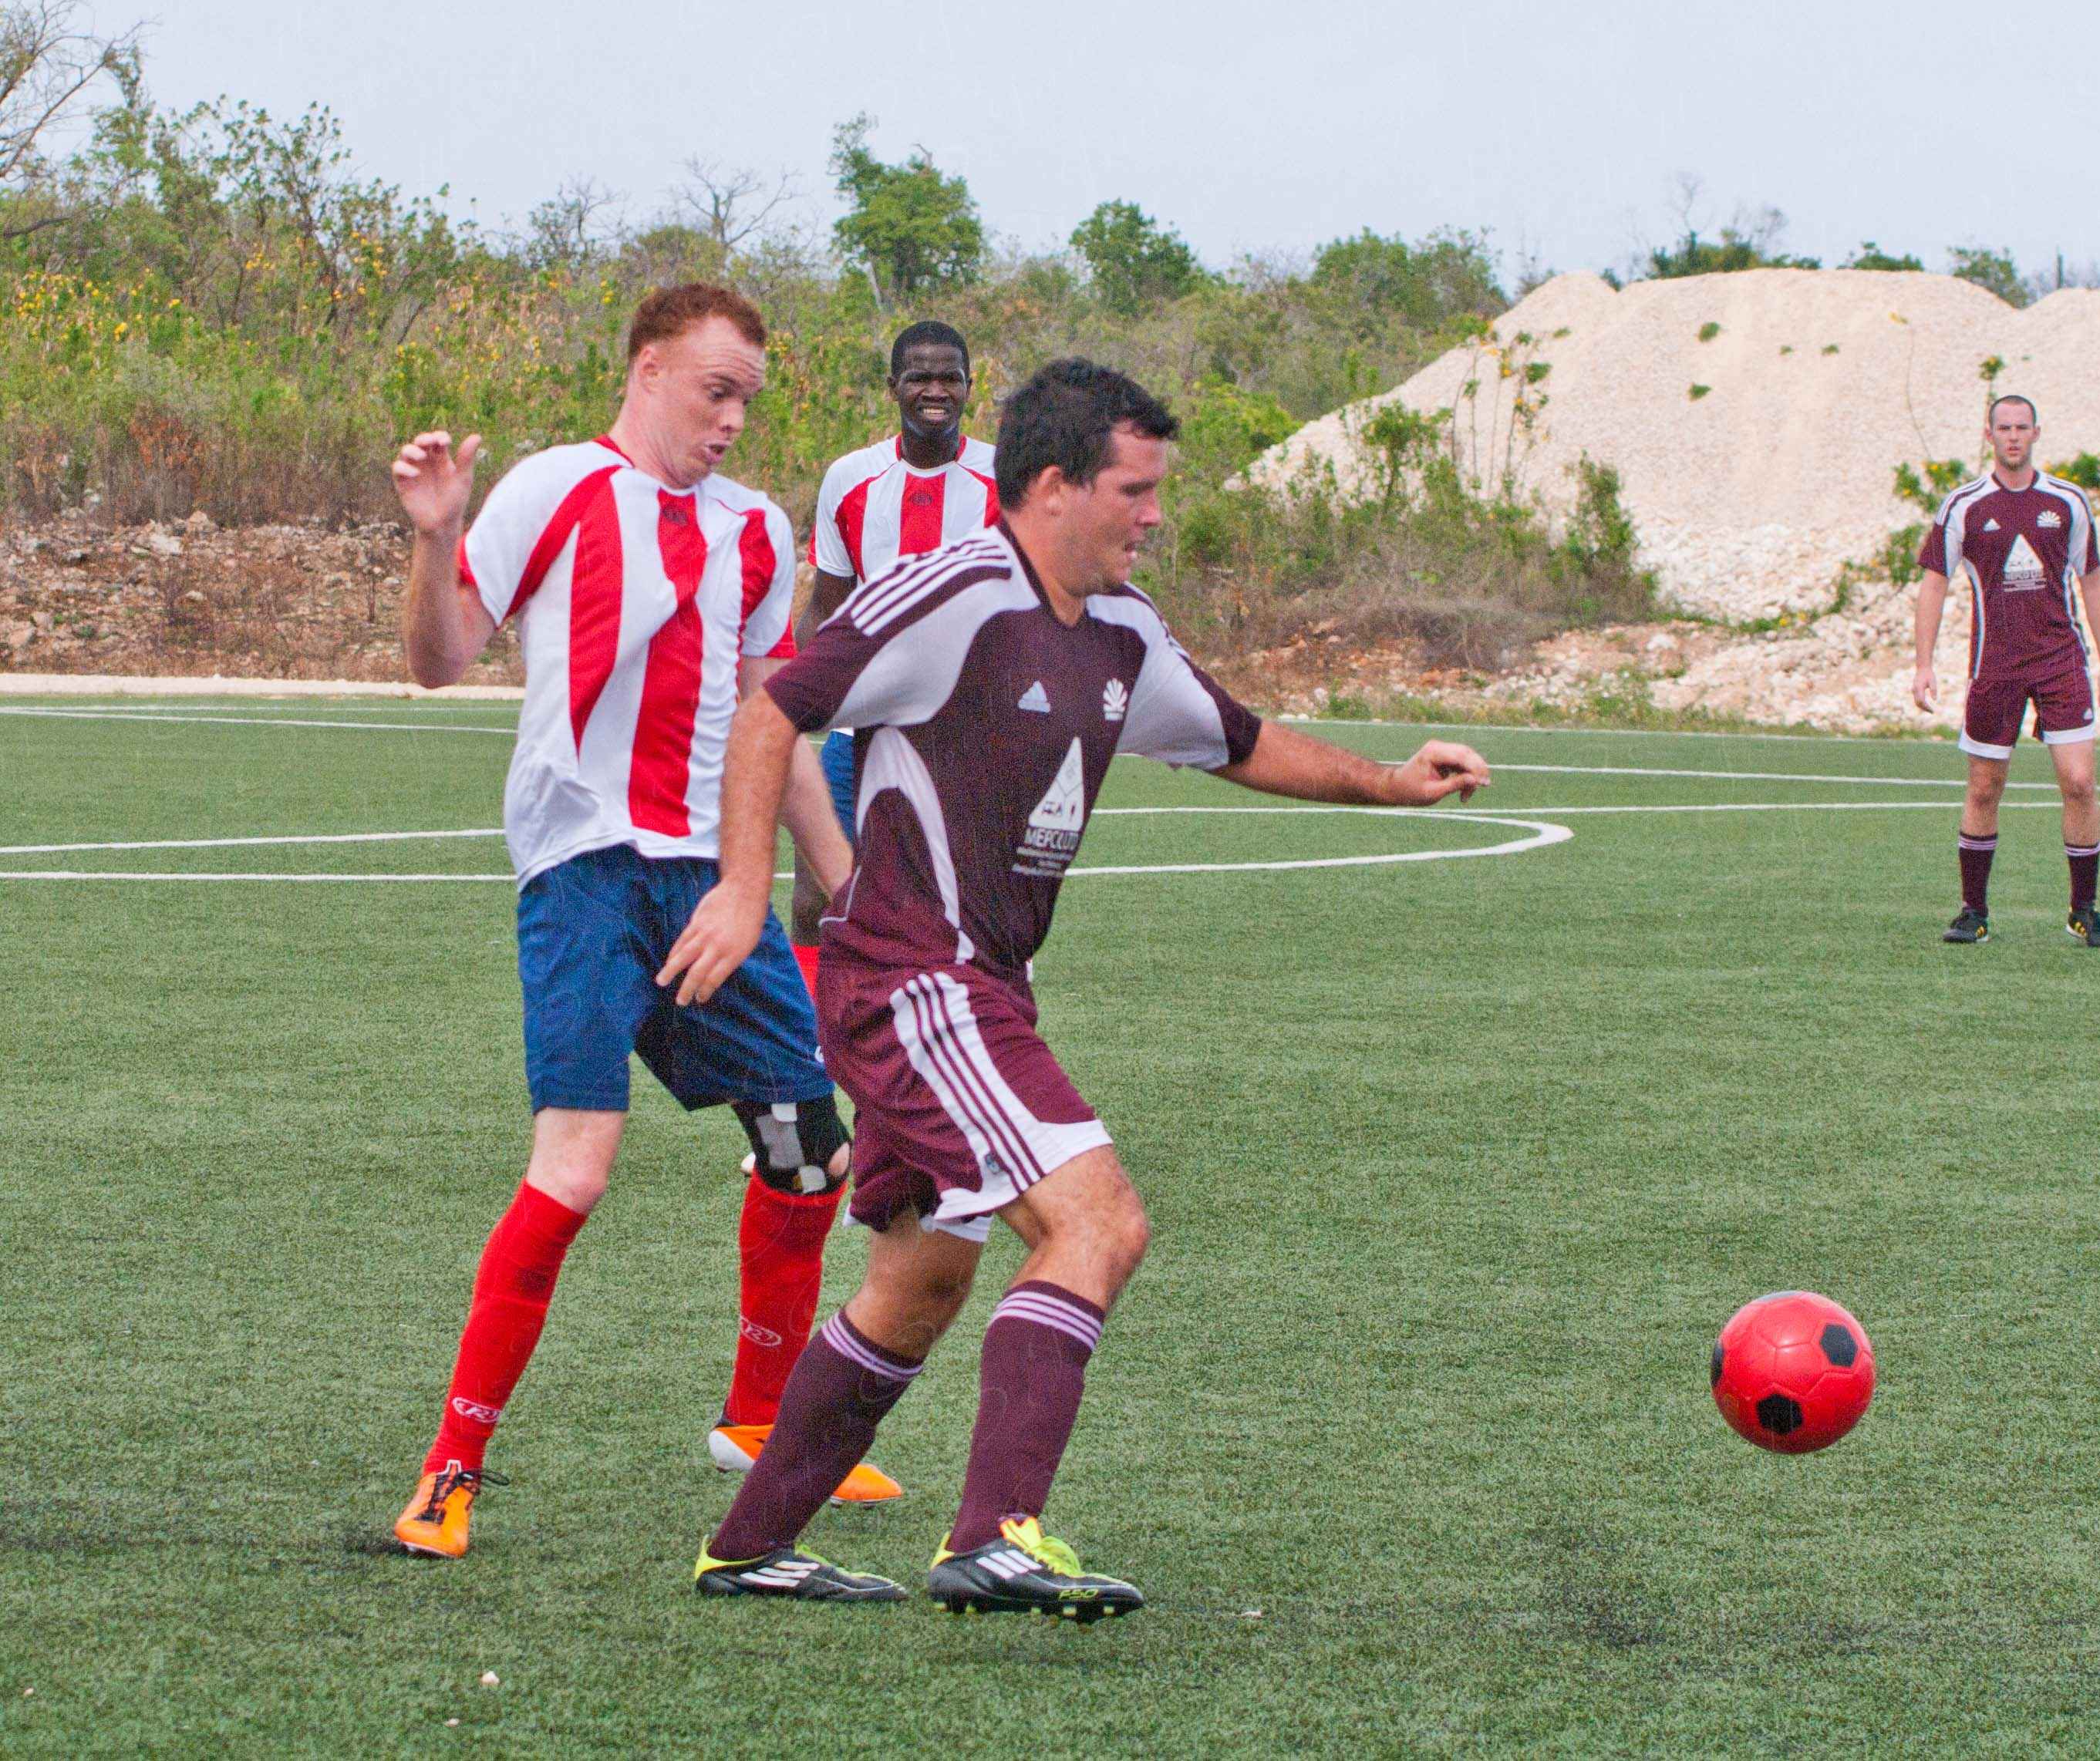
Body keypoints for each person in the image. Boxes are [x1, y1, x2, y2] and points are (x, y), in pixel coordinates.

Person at [659, 359, 1491, 1615]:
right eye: (1133, 490)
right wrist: (740, 886)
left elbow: (1240, 739)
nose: (1153, 515)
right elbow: (775, 707)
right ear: (1054, 486)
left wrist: (1393, 780)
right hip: (916, 983)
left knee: (917, 1285)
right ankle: (994, 1534)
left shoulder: (1122, 631)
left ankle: (748, 1546)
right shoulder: (951, 596)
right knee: (1098, 1221)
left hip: (981, 989)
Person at [385, 284, 893, 1561]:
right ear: (650, 369)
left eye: (748, 401)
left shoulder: (756, 529)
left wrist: (847, 884)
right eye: (716, 391)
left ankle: (761, 1422)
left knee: (807, 1147)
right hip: (585, 877)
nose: (733, 420)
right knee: (576, 1168)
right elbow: (439, 659)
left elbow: (773, 722)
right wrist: (435, 540)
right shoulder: (555, 487)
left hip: (711, 882)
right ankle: (451, 1469)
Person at [790, 320, 999, 985]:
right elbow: (826, 607)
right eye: (920, 378)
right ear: (893, 387)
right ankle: (818, 1036)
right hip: (861, 733)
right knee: (817, 902)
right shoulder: (850, 479)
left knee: (960, 915)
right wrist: (802, 695)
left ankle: (961, 1033)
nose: (936, 391)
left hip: (964, 739)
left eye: (950, 378)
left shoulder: (1008, 479)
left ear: (969, 386)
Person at [1910, 394, 2100, 948]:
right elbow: (1934, 583)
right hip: (1995, 664)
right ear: (1989, 435)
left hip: (2060, 661)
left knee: (2080, 782)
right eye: (2003, 428)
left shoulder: (2068, 501)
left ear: (2036, 433)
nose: (2012, 436)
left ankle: (2084, 910)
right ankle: (1973, 912)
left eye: (2021, 427)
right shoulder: (1964, 505)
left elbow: (2093, 581)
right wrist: (1923, 663)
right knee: (1985, 787)